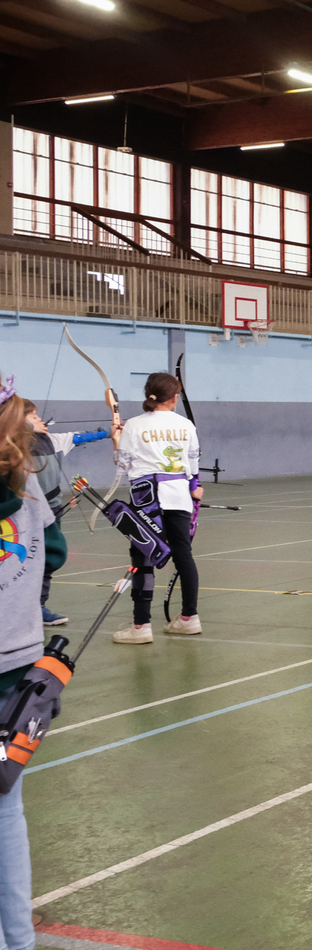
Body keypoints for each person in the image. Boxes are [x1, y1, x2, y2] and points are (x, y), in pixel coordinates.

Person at [0, 372, 65, 950]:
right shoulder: (25, 477)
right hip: (19, 666)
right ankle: (19, 940)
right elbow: (56, 550)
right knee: (6, 809)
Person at [111, 373, 203, 644]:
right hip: (178, 496)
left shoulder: (134, 425)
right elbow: (193, 462)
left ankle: (141, 626)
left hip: (146, 499)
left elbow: (122, 465)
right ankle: (189, 618)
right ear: (174, 398)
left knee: (143, 557)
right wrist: (194, 486)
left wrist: (117, 439)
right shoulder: (185, 424)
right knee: (183, 555)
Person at [22, 400, 114, 627]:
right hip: (23, 512)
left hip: (51, 510)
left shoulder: (53, 440)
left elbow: (82, 437)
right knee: (20, 560)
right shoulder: (10, 443)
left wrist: (112, 431)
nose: (40, 420)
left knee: (48, 558)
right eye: (33, 417)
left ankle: (38, 608)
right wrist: (26, 428)